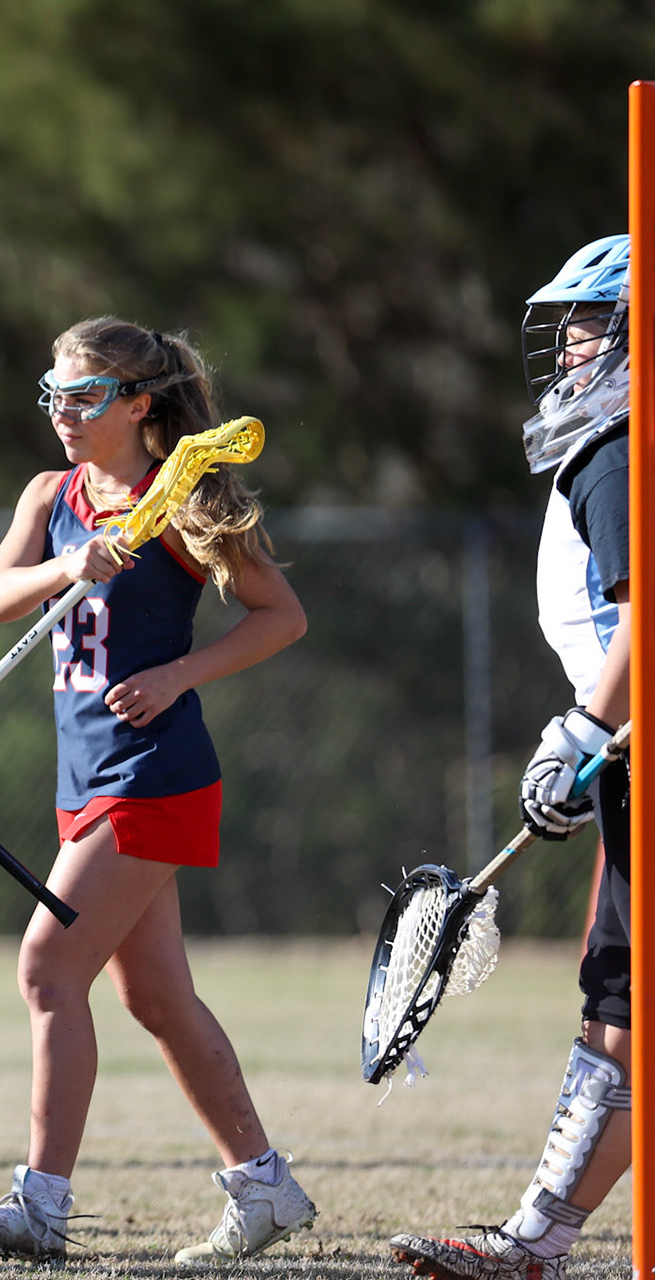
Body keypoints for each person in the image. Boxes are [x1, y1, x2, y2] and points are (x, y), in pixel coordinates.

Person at [0, 317, 310, 1266]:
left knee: (45, 968)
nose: (63, 412)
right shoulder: (50, 493)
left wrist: (183, 675)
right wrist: (71, 561)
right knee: (155, 997)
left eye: (85, 395)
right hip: (82, 771)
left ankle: (40, 1206)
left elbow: (282, 616)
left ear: (139, 404)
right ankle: (264, 1186)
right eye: (53, 393)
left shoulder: (179, 499)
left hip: (154, 771)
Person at [389, 235, 634, 1280]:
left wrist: (581, 731)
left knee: (620, 1006)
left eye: (595, 325)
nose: (573, 346)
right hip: (630, 751)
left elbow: (649, 618)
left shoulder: (620, 449)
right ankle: (538, 1237)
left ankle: (534, 1241)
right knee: (622, 1009)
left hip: (629, 743)